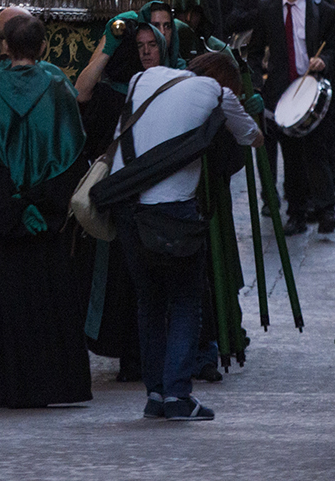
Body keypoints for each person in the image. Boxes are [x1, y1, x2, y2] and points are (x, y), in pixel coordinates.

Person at [0, 13, 91, 408]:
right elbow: (72, 153)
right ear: (43, 46)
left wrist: (10, 207)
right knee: (47, 298)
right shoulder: (59, 86)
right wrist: (44, 205)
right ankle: (51, 383)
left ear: (5, 46)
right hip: (45, 217)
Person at [107, 39, 261, 421]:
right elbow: (251, 137)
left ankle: (155, 394)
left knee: (149, 302)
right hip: (174, 214)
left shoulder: (144, 78)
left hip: (128, 207)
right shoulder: (218, 91)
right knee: (184, 301)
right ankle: (177, 395)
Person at [246, 0, 335, 234]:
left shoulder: (322, 9)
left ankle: (326, 211)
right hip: (282, 94)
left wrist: (323, 61)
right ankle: (297, 214)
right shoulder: (267, 10)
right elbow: (254, 53)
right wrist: (258, 84)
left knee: (317, 152)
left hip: (311, 88)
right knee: (291, 157)